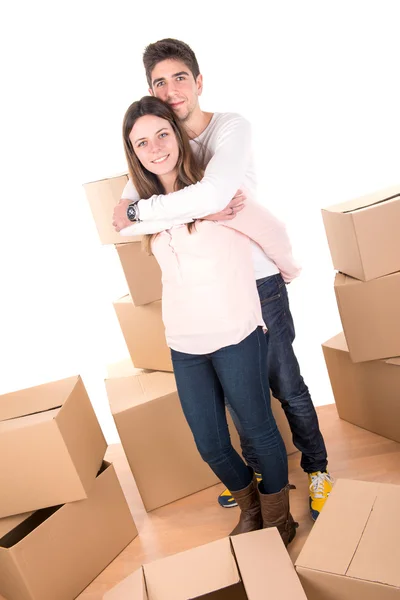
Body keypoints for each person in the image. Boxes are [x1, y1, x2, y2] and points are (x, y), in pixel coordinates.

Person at [113, 39, 333, 521]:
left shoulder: (229, 128)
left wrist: (287, 266)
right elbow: (125, 218)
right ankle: (261, 482)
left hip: (257, 280)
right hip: (211, 297)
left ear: (198, 81)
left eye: (179, 78)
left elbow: (217, 195)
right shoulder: (163, 139)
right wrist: (177, 210)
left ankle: (317, 467)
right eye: (158, 82)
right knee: (241, 404)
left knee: (286, 383)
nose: (170, 90)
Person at [122, 95, 299, 546]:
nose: (155, 147)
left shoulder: (225, 196)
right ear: (134, 153)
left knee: (258, 431)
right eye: (142, 142)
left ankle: (279, 518)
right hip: (184, 341)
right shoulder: (146, 211)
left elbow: (274, 232)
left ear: (178, 135)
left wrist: (287, 273)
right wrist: (194, 210)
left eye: (162, 133)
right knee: (210, 443)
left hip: (237, 331)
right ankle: (250, 507)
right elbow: (118, 223)